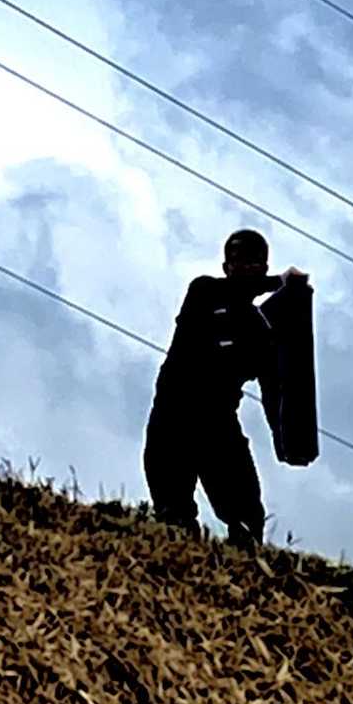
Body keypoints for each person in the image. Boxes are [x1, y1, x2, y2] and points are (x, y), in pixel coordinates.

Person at [143, 229, 307, 547]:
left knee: (247, 518)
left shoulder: (260, 332)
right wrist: (280, 281)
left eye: (255, 262)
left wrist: (288, 441)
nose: (246, 268)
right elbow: (237, 290)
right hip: (174, 415)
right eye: (238, 261)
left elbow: (274, 393)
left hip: (217, 424)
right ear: (226, 267)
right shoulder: (204, 291)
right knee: (172, 516)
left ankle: (242, 564)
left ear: (263, 266)